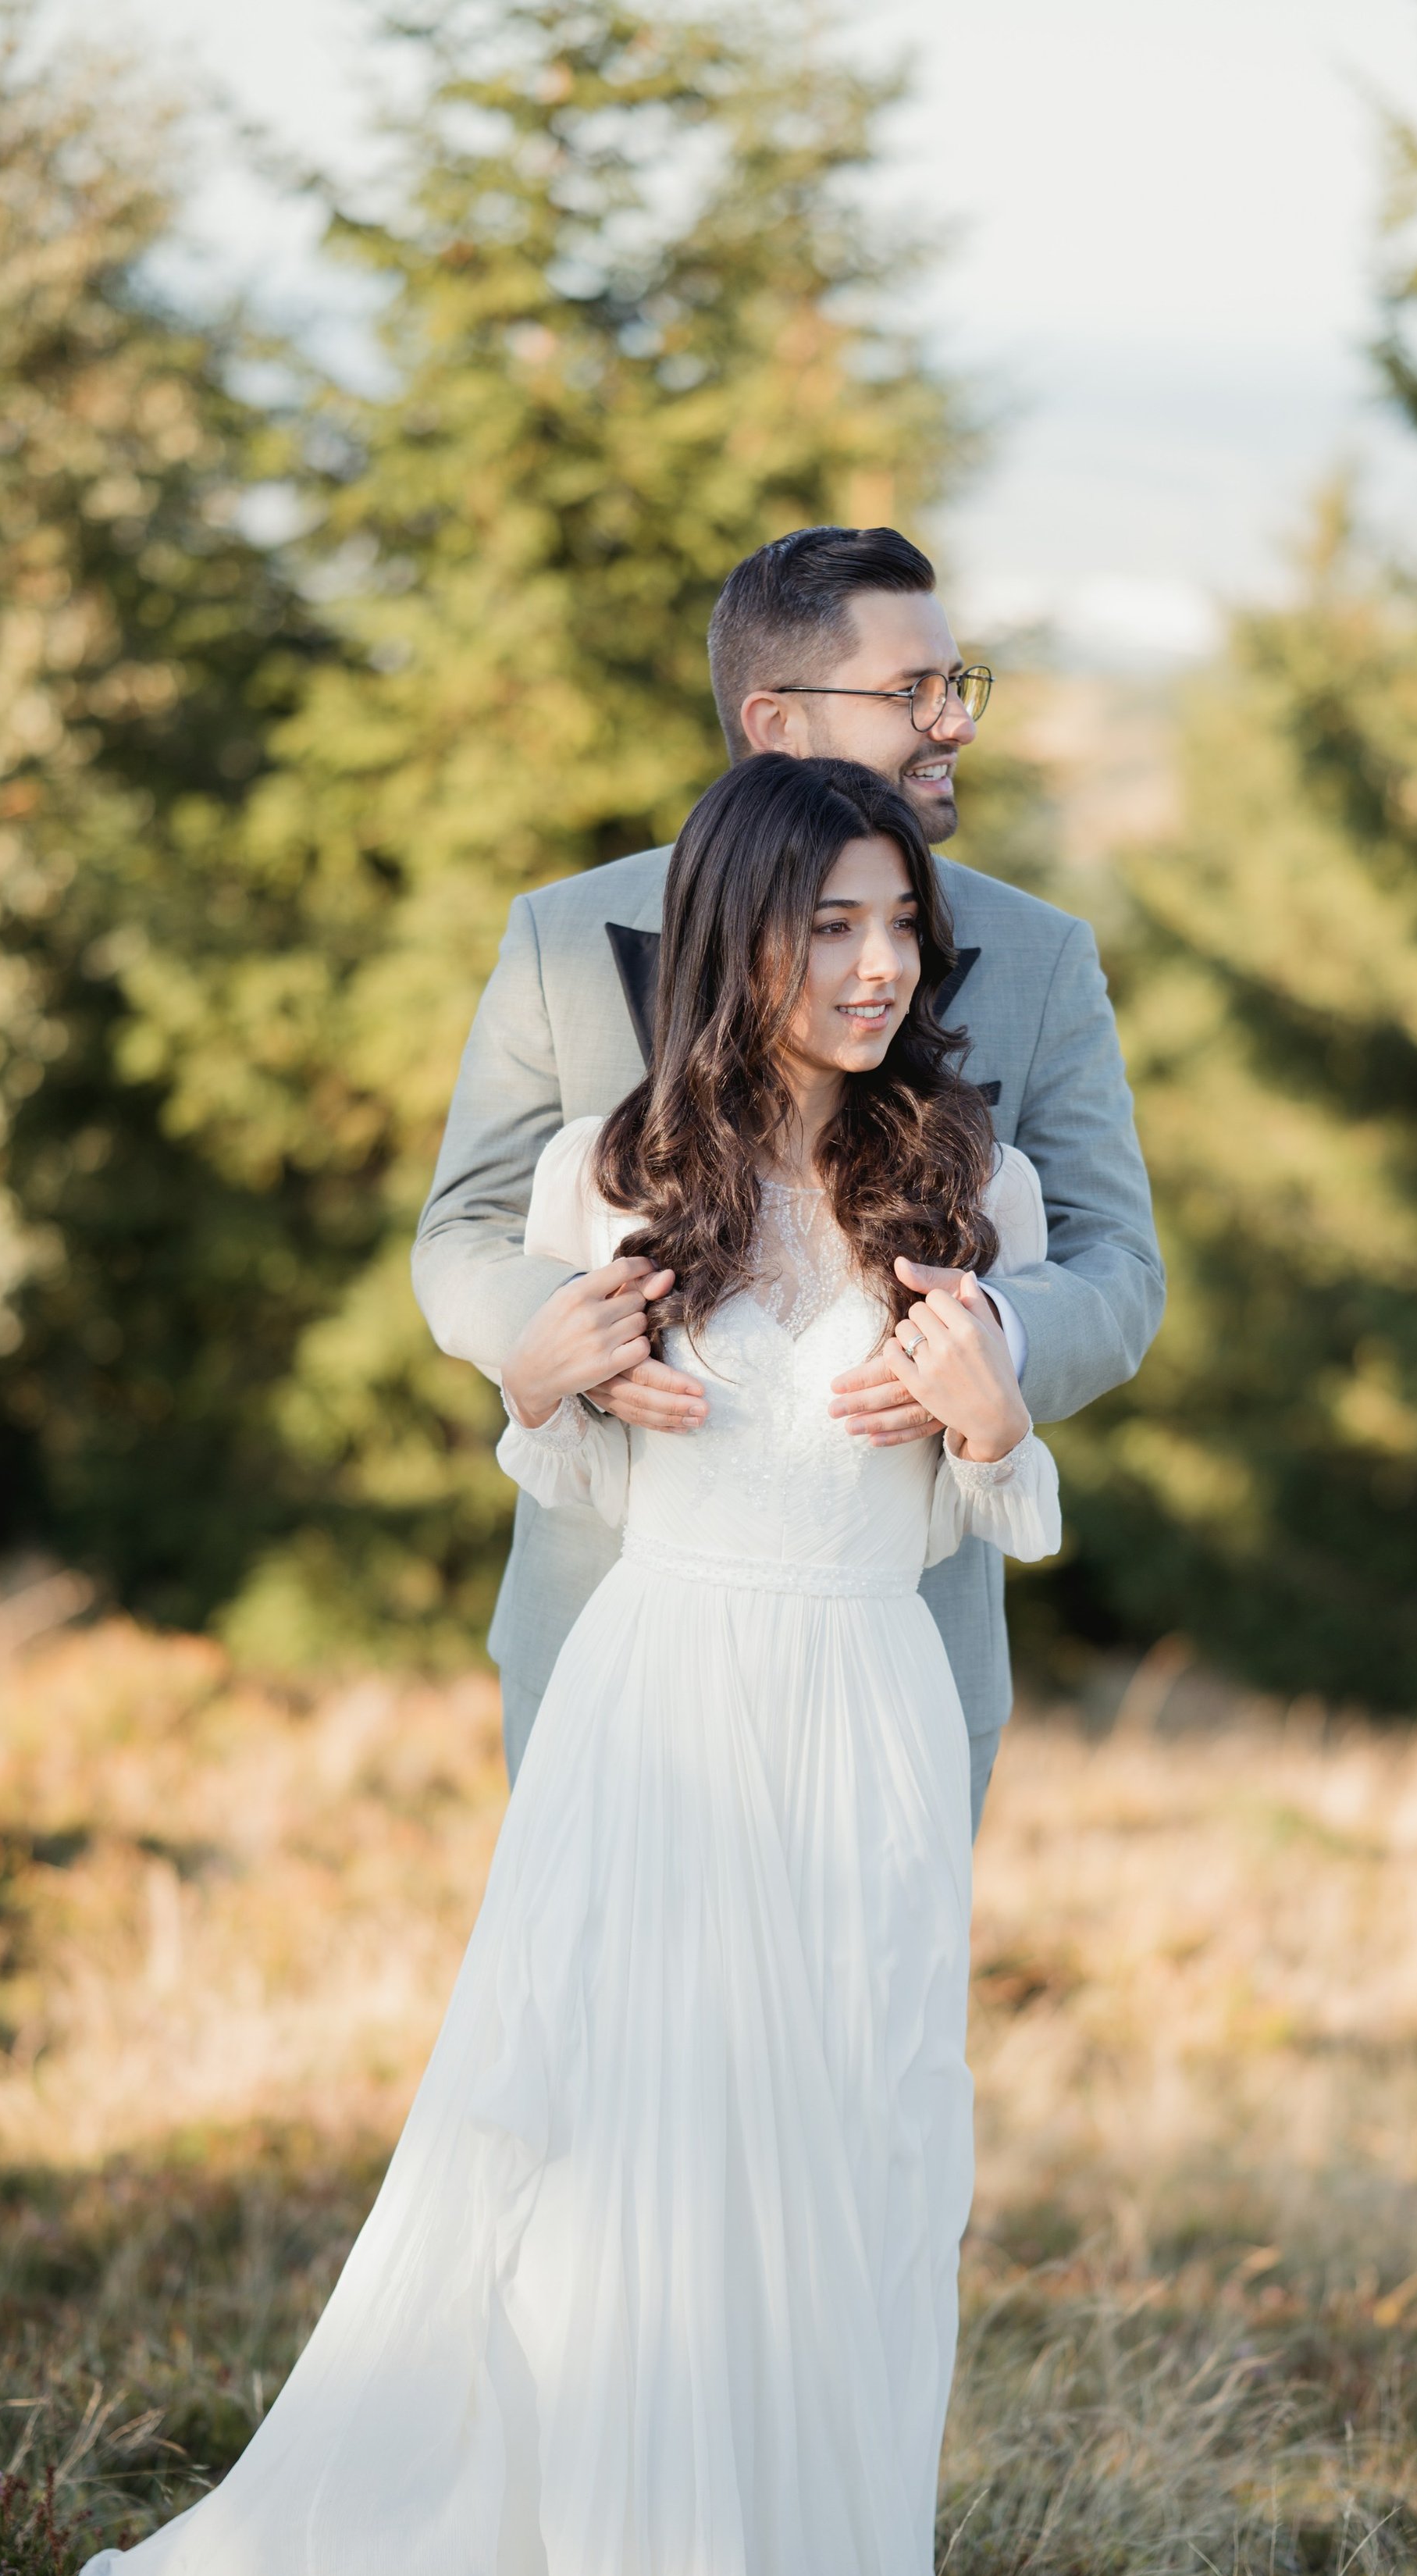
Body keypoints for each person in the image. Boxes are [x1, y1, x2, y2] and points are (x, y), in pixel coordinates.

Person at [77, 757, 1063, 2576]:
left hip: (865, 1722)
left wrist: (992, 1424)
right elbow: (578, 1467)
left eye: (904, 927)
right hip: (666, 1713)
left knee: (859, 2175)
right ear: (740, 935)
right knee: (623, 2180)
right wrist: (532, 1384)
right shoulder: (618, 1170)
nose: (883, 966)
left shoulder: (975, 1177)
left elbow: (988, 1521)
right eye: (834, 926)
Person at [415, 524, 1162, 1814]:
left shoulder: (1045, 957)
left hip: (899, 1664)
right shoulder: (558, 937)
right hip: (607, 1641)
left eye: (957, 683)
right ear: (775, 722)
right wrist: (557, 1332)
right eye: (910, 691)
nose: (953, 722)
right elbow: (463, 1232)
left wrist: (994, 1347)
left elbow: (1118, 1267)